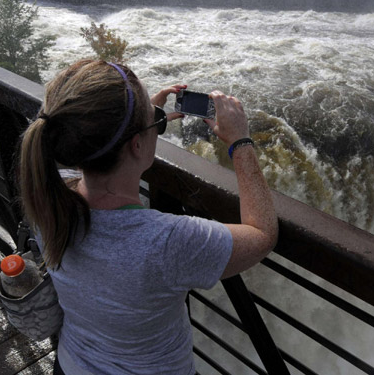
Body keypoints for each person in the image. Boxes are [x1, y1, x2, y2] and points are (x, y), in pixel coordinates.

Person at [18, 59, 278, 374]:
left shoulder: (48, 200)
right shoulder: (167, 241)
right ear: (137, 144)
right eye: (151, 121)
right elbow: (262, 233)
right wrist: (240, 141)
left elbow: (92, 140)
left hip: (72, 365)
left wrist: (143, 115)